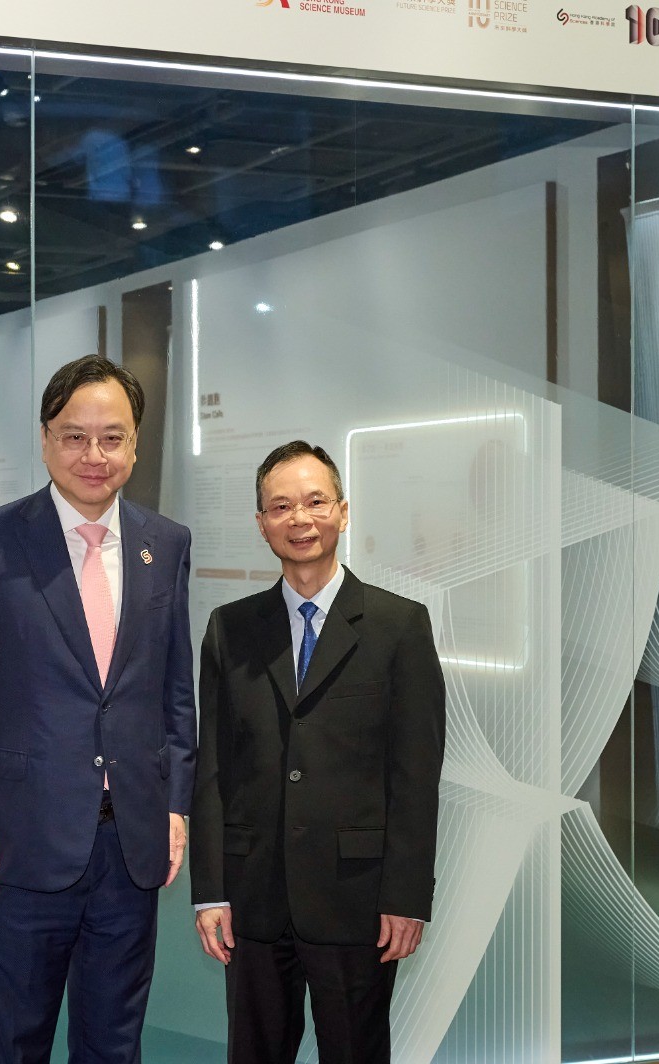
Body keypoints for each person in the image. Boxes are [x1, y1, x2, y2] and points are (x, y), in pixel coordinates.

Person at [0, 355, 197, 1064]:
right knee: (15, 1040)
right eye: (75, 436)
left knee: (114, 1043)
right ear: (46, 440)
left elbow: (174, 689)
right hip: (19, 842)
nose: (94, 455)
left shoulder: (165, 544)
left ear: (135, 445)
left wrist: (176, 803)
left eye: (112, 437)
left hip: (130, 843)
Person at [190, 440, 445, 1064]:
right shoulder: (230, 628)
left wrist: (406, 896)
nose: (299, 519)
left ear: (343, 512)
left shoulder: (399, 626)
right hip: (254, 898)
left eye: (315, 502)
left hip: (357, 899)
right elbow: (213, 767)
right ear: (261, 523)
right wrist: (211, 891)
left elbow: (416, 774)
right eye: (280, 506)